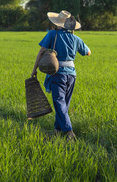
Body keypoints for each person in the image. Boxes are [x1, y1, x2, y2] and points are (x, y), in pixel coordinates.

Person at [31, 10, 91, 141]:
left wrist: (34, 70)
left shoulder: (53, 34)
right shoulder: (76, 38)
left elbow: (41, 53)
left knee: (59, 103)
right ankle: (57, 131)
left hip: (57, 74)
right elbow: (88, 53)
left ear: (57, 23)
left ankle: (69, 132)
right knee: (63, 104)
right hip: (72, 75)